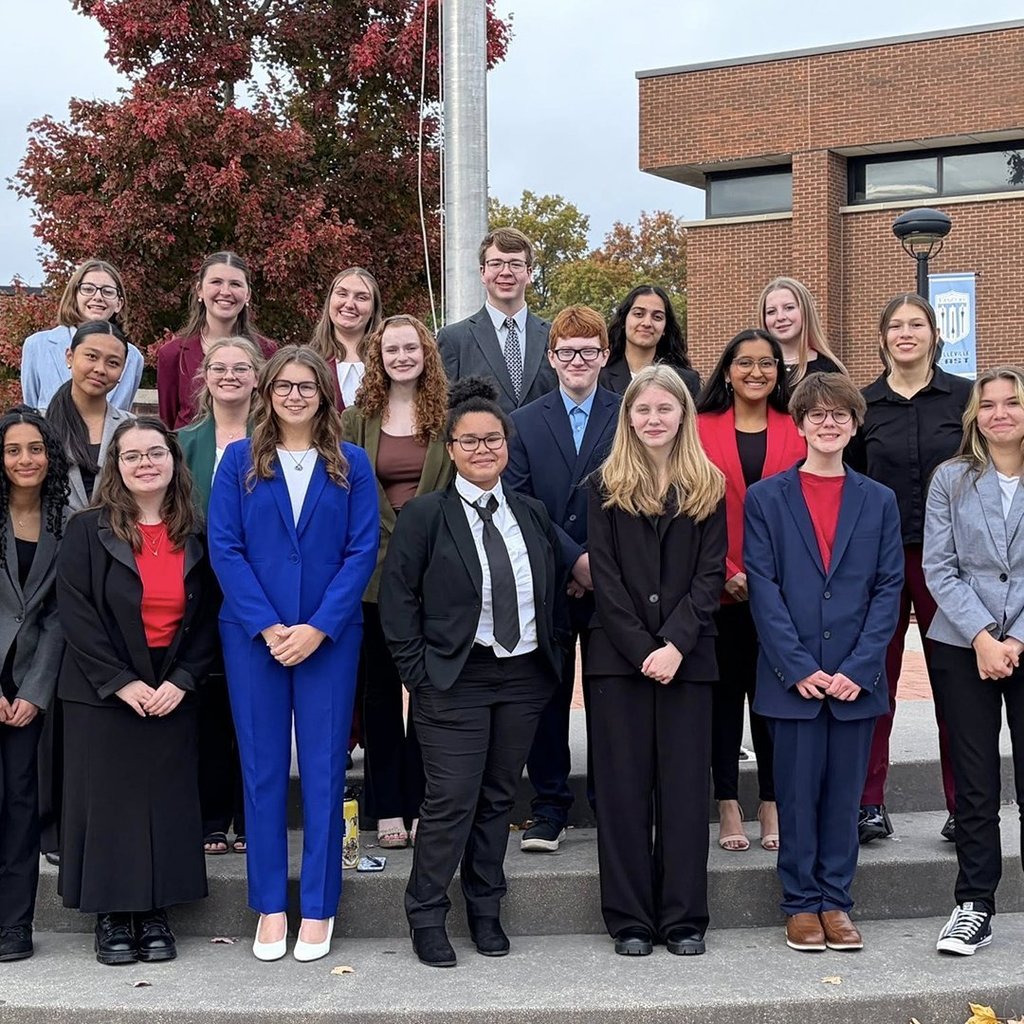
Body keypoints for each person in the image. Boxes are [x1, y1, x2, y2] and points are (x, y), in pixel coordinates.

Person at [379, 377, 564, 968]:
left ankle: (486, 909)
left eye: (492, 439)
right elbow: (398, 599)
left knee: (498, 798)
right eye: (469, 441)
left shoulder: (531, 514)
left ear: (506, 444)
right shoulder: (426, 515)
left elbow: (553, 589)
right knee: (451, 800)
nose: (483, 449)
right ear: (451, 448)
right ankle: (426, 913)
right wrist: (418, 675)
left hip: (522, 677)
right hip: (454, 678)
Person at [208, 346, 378, 964]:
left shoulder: (351, 464)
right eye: (285, 386)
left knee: (327, 771)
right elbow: (224, 547)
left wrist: (318, 627)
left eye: (307, 386)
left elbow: (363, 551)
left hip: (329, 639)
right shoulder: (238, 462)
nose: (296, 395)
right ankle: (270, 907)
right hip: (255, 637)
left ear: (323, 395)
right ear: (268, 393)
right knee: (262, 770)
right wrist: (270, 626)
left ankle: (319, 906)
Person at [744, 373, 903, 954]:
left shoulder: (878, 500)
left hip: (856, 681)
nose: (828, 423)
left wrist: (859, 669)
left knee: (845, 796)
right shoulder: (767, 498)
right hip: (794, 681)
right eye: (817, 415)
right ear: (800, 422)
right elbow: (764, 586)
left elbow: (889, 589)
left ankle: (836, 901)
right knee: (796, 793)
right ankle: (799, 904)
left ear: (855, 425)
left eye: (840, 416)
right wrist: (798, 666)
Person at [56, 417, 219, 965]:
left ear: (174, 460)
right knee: (108, 805)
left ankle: (154, 914)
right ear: (115, 466)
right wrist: (121, 683)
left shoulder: (197, 530)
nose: (145, 463)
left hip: (171, 682)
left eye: (156, 452)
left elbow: (212, 616)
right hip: (101, 689)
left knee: (165, 802)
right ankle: (112, 918)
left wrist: (181, 680)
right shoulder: (86, 528)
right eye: (132, 456)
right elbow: (76, 614)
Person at [586, 364, 727, 957]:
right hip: (619, 662)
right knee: (622, 791)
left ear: (683, 415)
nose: (653, 420)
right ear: (628, 417)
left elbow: (711, 575)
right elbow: (606, 580)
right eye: (642, 410)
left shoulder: (710, 485)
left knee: (685, 791)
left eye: (664, 409)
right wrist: (645, 649)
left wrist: (675, 644)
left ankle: (683, 918)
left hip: (688, 662)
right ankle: (630, 920)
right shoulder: (603, 485)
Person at [847, 294, 971, 845]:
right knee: (876, 681)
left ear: (934, 334)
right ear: (881, 338)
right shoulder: (862, 405)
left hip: (949, 563)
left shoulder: (965, 400)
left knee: (955, 685)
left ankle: (962, 806)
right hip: (880, 562)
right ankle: (868, 803)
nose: (905, 333)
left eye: (915, 324)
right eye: (894, 325)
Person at [504, 304, 620, 852]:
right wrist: (574, 559)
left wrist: (599, 562)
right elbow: (522, 502)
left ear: (605, 355)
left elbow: (634, 497)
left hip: (612, 580)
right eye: (566, 351)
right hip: (549, 579)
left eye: (589, 350)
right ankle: (549, 807)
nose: (578, 360)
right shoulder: (524, 422)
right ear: (550, 358)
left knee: (609, 697)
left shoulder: (626, 416)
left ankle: (609, 803)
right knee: (546, 696)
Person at [340, 315, 453, 849]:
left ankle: (429, 801)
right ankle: (387, 806)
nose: (402, 356)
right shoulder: (355, 419)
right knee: (381, 695)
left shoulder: (447, 417)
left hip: (437, 573)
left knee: (431, 693)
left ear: (425, 353)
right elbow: (342, 492)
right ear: (377, 356)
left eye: (411, 347)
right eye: (391, 348)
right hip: (374, 574)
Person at [923, 365, 1024, 956]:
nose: (1000, 414)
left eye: (1012, 403)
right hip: (963, 646)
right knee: (976, 783)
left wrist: (1016, 638)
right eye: (988, 405)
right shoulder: (951, 479)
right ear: (974, 415)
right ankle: (974, 905)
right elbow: (940, 567)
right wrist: (985, 635)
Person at [696, 329, 804, 853]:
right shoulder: (699, 428)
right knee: (722, 700)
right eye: (744, 362)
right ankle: (727, 804)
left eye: (767, 363)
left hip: (781, 591)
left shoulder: (797, 428)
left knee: (770, 700)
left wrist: (762, 577)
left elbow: (808, 509)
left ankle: (771, 800)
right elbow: (690, 509)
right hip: (716, 590)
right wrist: (724, 570)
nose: (756, 372)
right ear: (728, 370)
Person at [179, 337, 266, 856]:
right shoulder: (183, 441)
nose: (230, 375)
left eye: (241, 368)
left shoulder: (273, 441)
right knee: (208, 701)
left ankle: (249, 812)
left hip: (258, 584)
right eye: (219, 367)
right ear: (204, 377)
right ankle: (213, 815)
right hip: (196, 583)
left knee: (253, 703)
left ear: (258, 378)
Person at [0, 409, 69, 963]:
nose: (26, 460)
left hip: (29, 686)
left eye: (35, 449)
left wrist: (34, 692)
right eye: (13, 450)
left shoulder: (66, 522)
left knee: (22, 803)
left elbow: (58, 616)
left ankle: (14, 924)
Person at [437, 228, 557, 414]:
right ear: (482, 272)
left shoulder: (554, 336)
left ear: (530, 273)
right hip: (481, 442)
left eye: (515, 264)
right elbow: (444, 409)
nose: (506, 272)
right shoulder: (454, 340)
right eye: (496, 264)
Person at [157, 251, 276, 429]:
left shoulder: (268, 352)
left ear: (248, 294)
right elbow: (167, 421)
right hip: (189, 454)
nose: (225, 292)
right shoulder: (173, 354)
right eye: (216, 282)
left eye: (235, 284)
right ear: (200, 290)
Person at [20, 259, 144, 413]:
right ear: (75, 296)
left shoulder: (133, 357)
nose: (98, 296)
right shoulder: (37, 345)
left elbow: (122, 414)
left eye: (108, 291)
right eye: (88, 289)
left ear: (119, 303)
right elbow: (31, 409)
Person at [45, 321, 133, 511]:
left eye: (113, 363)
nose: (100, 369)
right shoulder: (41, 425)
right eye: (92, 356)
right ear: (70, 356)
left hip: (116, 536)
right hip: (53, 536)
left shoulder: (131, 427)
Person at [601, 285, 700, 400]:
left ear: (665, 329)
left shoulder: (686, 381)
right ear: (624, 320)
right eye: (638, 314)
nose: (647, 323)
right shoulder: (599, 377)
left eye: (657, 317)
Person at [310, 267, 384, 410]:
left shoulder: (388, 363)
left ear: (373, 309)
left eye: (361, 297)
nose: (349, 304)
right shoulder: (309, 362)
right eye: (342, 294)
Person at [757, 277, 847, 384]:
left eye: (789, 308)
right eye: (771, 311)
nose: (780, 317)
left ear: (805, 311)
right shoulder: (753, 369)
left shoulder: (829, 369)